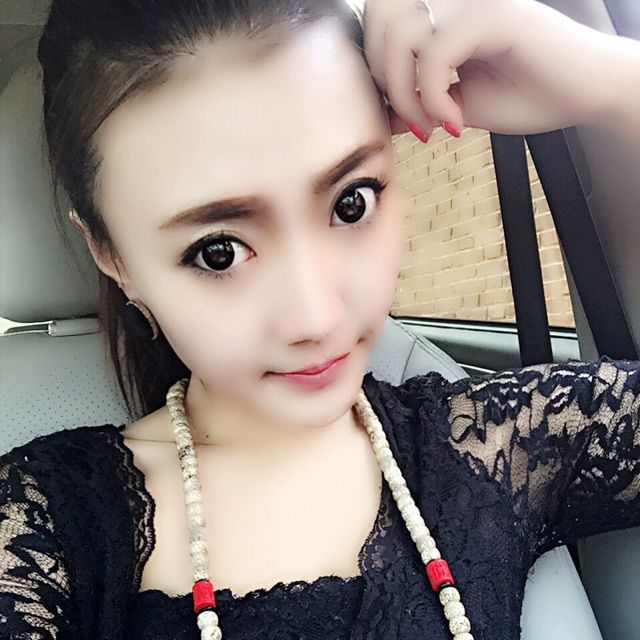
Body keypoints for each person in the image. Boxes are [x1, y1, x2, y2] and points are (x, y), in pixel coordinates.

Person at [0, 0, 638, 638]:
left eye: (351, 203)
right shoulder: (45, 528)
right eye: (218, 252)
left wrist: (611, 84)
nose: (318, 316)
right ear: (113, 258)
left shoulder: (495, 445)